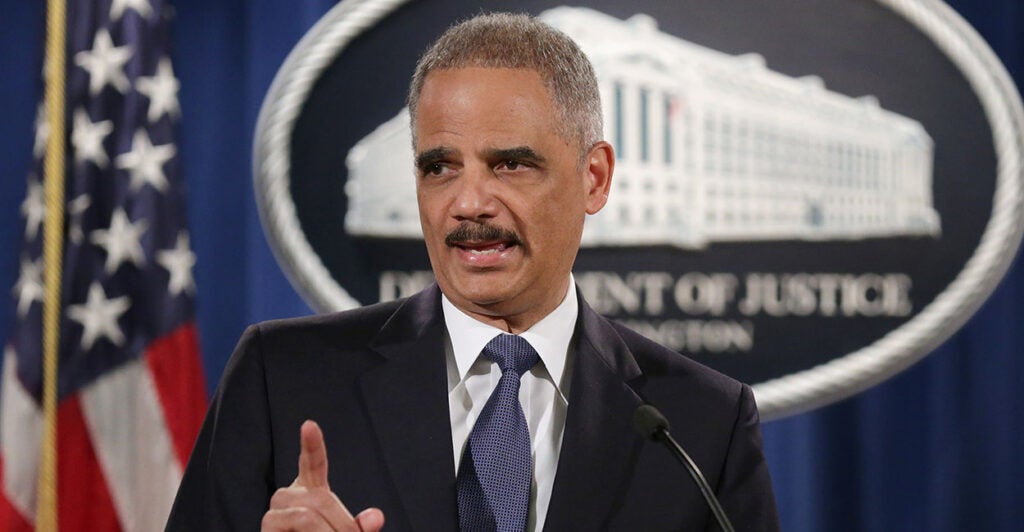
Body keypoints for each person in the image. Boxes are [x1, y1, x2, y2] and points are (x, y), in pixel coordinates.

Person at [167, 12, 779, 532]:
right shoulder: (284, 381)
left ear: (593, 178)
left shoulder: (702, 426)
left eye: (509, 164)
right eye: (439, 168)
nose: (468, 203)